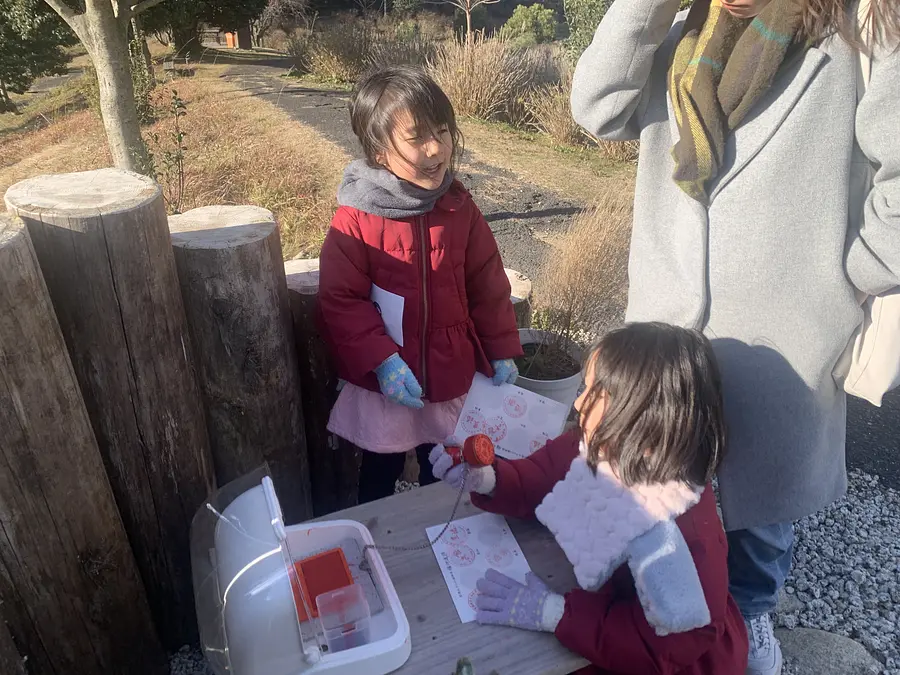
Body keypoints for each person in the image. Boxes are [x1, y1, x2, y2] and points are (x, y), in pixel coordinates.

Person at [568, 0, 900, 672]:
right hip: (666, 329)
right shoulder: (685, 24)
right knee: (647, 486)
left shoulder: (860, 27)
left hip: (785, 333)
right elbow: (597, 107)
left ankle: (748, 619)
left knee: (760, 509)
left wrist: (848, 277)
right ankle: (651, 615)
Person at [431, 323, 749, 674]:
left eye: (595, 393)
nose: (579, 402)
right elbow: (540, 476)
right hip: (605, 612)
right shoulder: (600, 445)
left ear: (644, 421)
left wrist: (552, 613)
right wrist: (489, 478)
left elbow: (661, 644)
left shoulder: (679, 535)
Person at [318, 66, 522, 504]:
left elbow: (488, 283)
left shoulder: (458, 207)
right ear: (378, 152)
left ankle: (438, 536)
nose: (435, 149)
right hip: (391, 376)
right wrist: (382, 362)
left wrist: (501, 348)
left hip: (450, 368)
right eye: (417, 138)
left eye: (443, 131)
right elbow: (342, 299)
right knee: (381, 466)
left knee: (445, 464)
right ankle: (381, 538)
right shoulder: (356, 218)